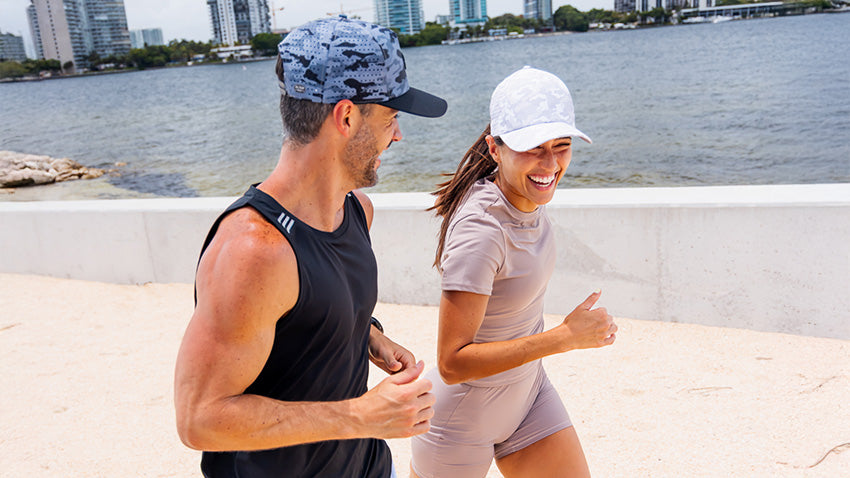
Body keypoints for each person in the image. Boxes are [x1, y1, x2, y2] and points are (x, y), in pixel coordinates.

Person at [174, 16, 447, 478]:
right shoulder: (255, 250)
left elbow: (307, 315)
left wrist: (367, 335)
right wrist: (363, 415)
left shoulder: (358, 210)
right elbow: (200, 418)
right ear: (346, 116)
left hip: (369, 468)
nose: (398, 134)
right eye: (392, 116)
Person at [410, 66, 618, 478]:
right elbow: (452, 362)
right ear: (495, 148)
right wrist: (564, 338)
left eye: (561, 145)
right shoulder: (482, 230)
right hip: (460, 421)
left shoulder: (523, 198)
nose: (550, 163)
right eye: (531, 148)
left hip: (527, 396)